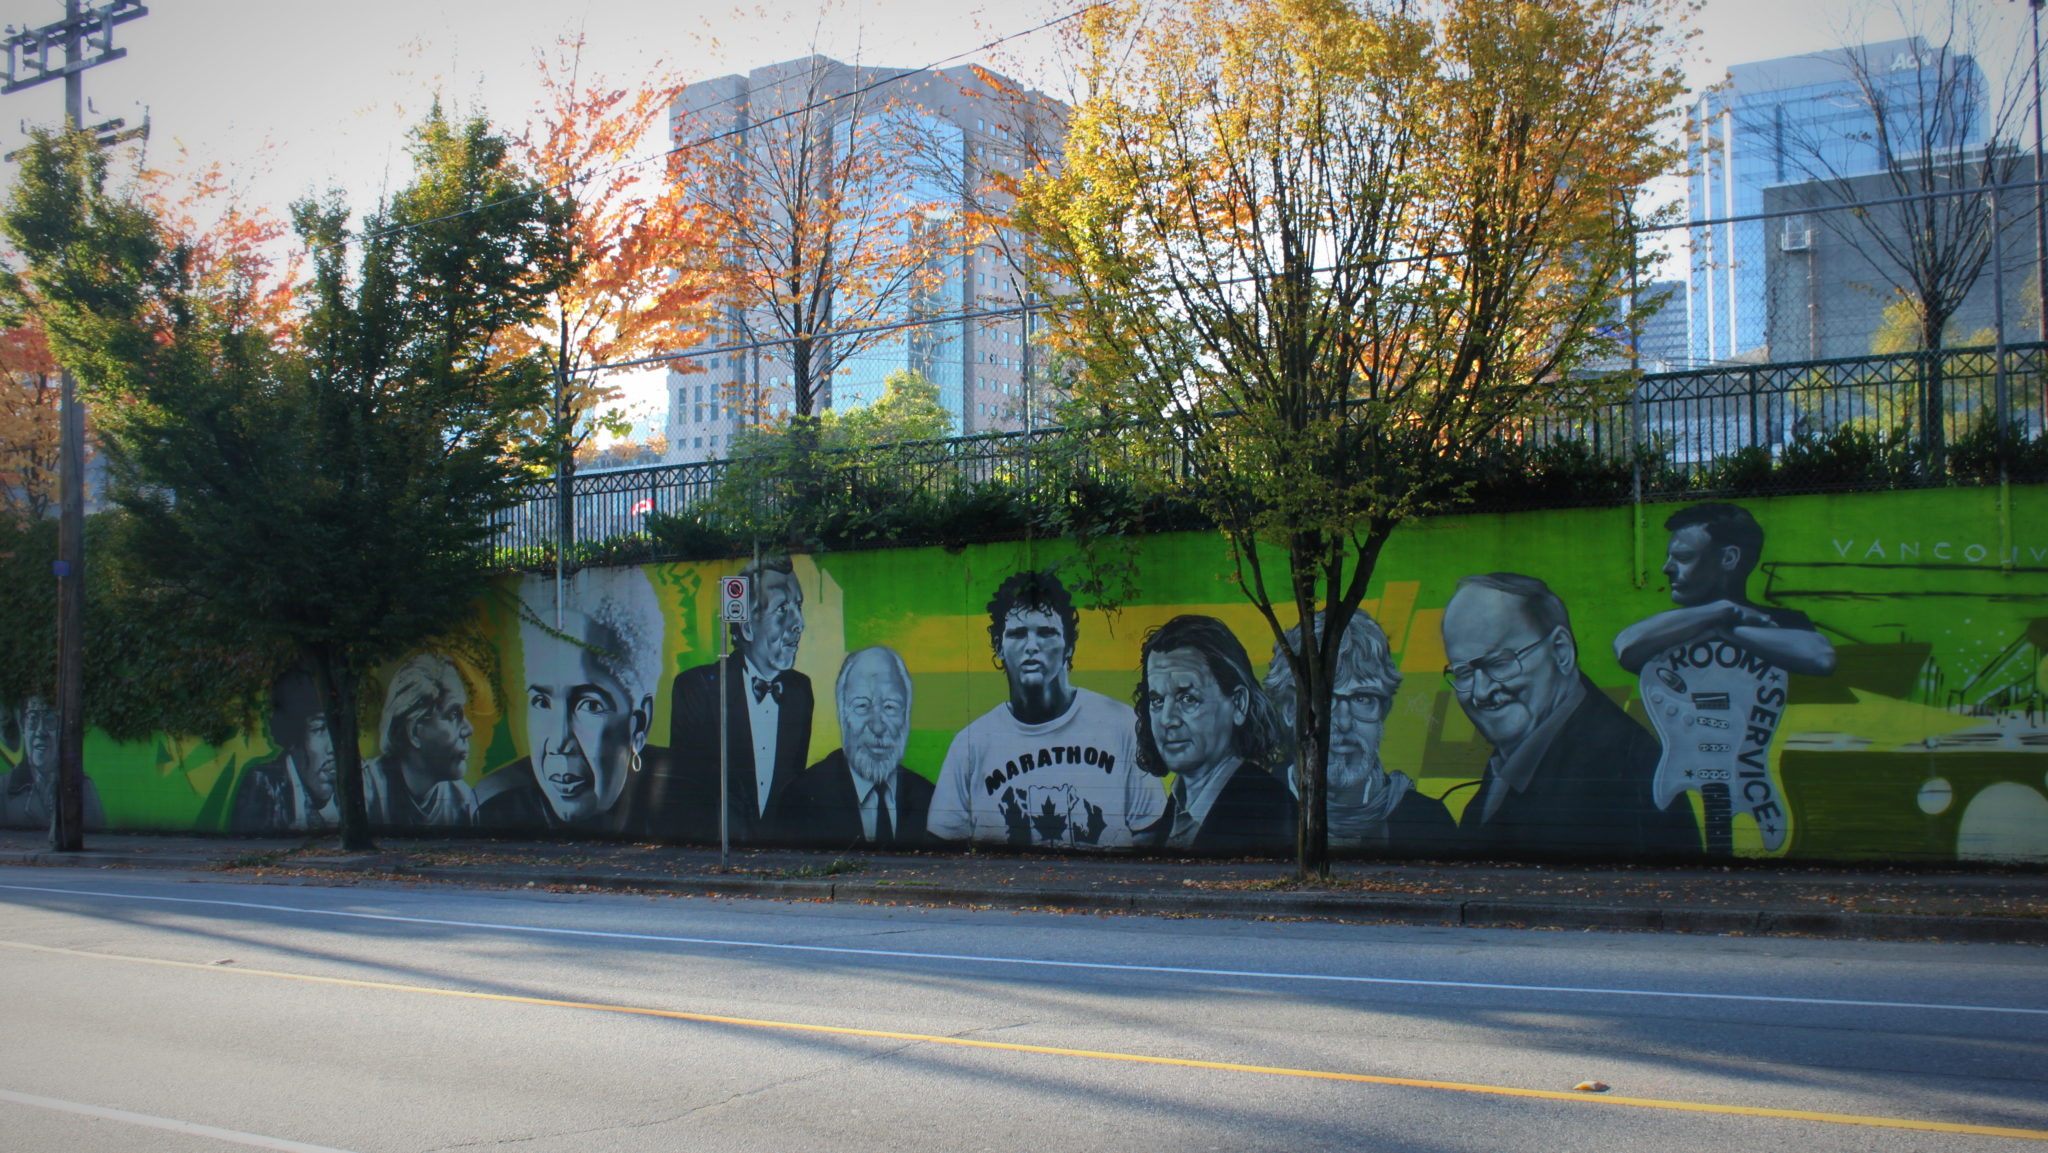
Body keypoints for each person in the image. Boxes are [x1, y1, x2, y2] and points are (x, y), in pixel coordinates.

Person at [1613, 502, 1835, 854]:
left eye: (1683, 557)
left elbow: (1821, 656)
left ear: (1729, 559)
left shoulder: (1779, 621)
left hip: (1751, 777)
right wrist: (1719, 612)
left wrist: (1728, 629)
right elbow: (1626, 647)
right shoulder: (1676, 627)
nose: (1666, 568)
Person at [1442, 573, 1698, 858]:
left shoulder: (1620, 768)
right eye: (1463, 672)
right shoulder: (1514, 761)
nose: (1480, 691)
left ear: (1561, 651)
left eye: (1499, 663)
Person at [927, 569, 1165, 848]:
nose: (1032, 646)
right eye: (1017, 634)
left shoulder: (1120, 723)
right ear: (998, 646)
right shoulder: (972, 743)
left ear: (1069, 647)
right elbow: (944, 842)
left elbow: (1150, 830)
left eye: (1046, 632)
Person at [479, 571, 671, 835]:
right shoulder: (497, 804)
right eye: (541, 701)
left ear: (639, 725)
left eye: (590, 706)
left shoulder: (692, 800)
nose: (559, 743)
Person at [1264, 613, 1455, 854]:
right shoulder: (1261, 806)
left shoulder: (1428, 820)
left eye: (1362, 698)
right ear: (1291, 710)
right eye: (1325, 699)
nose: (1343, 723)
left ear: (1383, 711)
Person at [668, 554, 812, 842]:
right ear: (746, 627)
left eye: (798, 606)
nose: (799, 623)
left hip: (776, 852)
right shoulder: (696, 689)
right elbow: (688, 788)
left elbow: (792, 782)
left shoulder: (800, 691)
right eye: (783, 608)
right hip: (709, 847)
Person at [1136, 615, 1293, 853]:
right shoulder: (1174, 812)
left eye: (1187, 698)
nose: (1167, 719)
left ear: (1238, 704)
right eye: (1157, 700)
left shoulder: (1270, 811)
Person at [775, 647, 933, 847]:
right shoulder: (802, 798)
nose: (877, 726)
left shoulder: (929, 798)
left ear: (906, 716)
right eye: (862, 706)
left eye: (890, 707)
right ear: (842, 714)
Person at [363, 653, 477, 828]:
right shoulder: (368, 789)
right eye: (454, 714)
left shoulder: (461, 799)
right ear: (414, 732)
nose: (468, 729)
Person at [230, 671, 339, 835]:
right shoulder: (264, 783)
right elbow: (247, 844)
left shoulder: (357, 786)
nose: (332, 748)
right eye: (319, 729)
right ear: (294, 737)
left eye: (337, 730)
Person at [0, 695, 104, 831]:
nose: (40, 731)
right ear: (23, 727)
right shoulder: (4, 787)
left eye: (50, 719)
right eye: (33, 719)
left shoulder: (83, 785)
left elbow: (95, 825)